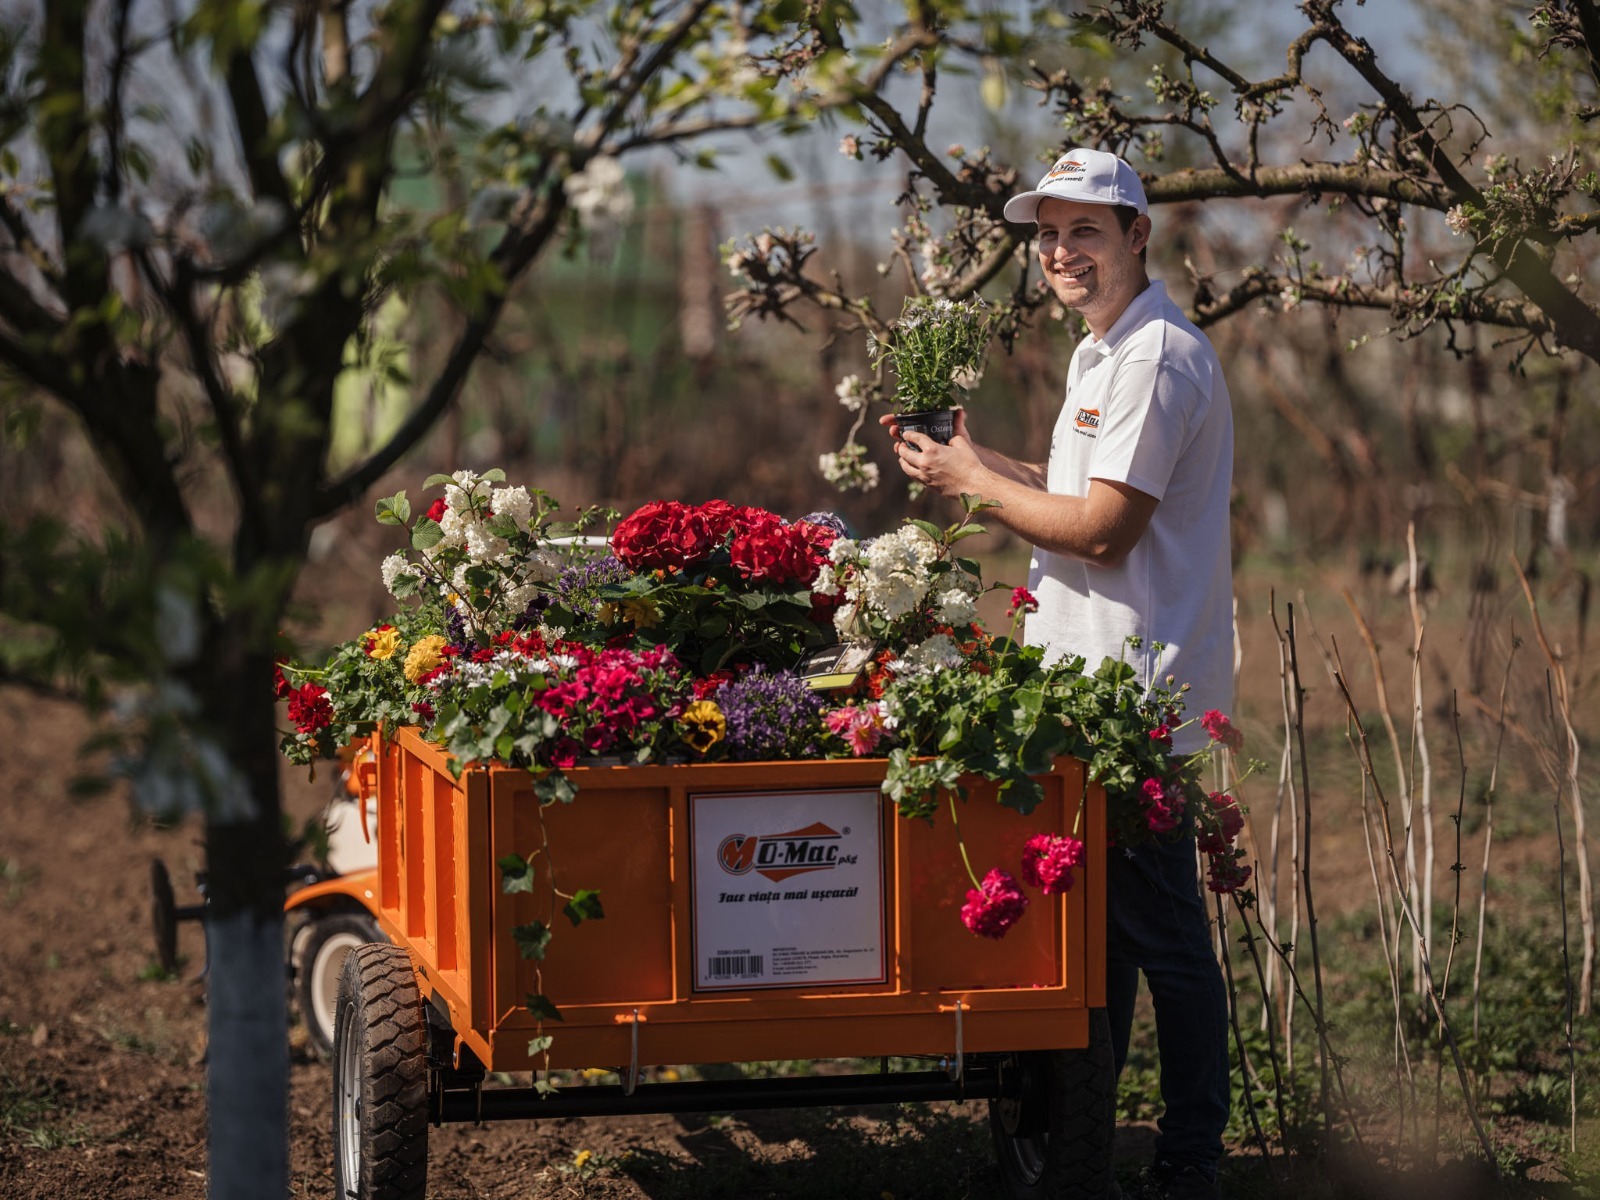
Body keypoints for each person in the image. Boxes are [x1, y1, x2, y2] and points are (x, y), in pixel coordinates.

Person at [885, 147, 1234, 1200]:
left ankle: (1188, 1165)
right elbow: (1074, 489)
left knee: (1165, 944)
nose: (1060, 251)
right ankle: (1086, 1151)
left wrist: (968, 486)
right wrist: (977, 466)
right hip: (1089, 699)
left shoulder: (1156, 360)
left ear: (1137, 235)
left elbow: (1099, 534)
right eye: (1047, 233)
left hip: (1137, 703)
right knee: (1106, 947)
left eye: (1086, 229)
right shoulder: (1101, 357)